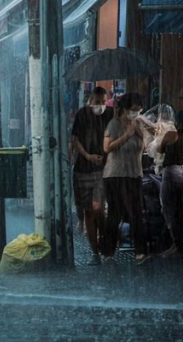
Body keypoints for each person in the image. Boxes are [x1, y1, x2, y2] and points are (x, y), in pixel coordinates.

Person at [102, 93, 148, 263]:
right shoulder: (114, 124)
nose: (136, 113)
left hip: (134, 173)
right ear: (126, 109)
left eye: (139, 110)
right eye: (133, 110)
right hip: (115, 174)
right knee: (115, 214)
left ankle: (141, 252)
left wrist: (140, 132)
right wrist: (126, 135)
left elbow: (146, 146)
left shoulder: (139, 124)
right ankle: (108, 252)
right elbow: (107, 148)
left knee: (136, 213)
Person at [71, 87, 113, 265]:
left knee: (98, 208)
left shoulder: (111, 114)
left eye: (103, 101)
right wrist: (87, 156)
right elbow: (75, 139)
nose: (101, 105)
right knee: (89, 211)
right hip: (83, 168)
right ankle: (95, 251)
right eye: (97, 102)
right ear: (90, 101)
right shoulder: (82, 115)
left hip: (103, 169)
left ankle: (105, 242)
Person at [158, 111, 183, 257]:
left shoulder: (170, 135)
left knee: (168, 207)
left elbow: (160, 150)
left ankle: (176, 244)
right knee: (182, 208)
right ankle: (179, 242)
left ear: (176, 122)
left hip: (172, 173)